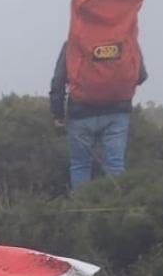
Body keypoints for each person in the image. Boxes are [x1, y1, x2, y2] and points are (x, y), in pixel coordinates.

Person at [50, 41, 147, 190]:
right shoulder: (127, 41)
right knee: (115, 165)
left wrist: (58, 114)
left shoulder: (73, 43)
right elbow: (141, 76)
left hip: (80, 113)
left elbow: (58, 80)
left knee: (80, 165)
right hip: (117, 112)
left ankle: (83, 207)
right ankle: (116, 206)